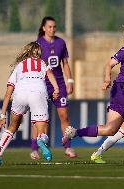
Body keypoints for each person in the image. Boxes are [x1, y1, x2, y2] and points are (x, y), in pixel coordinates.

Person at [63, 21, 124, 164]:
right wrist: (107, 79)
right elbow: (109, 64)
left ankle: (75, 132)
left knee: (110, 130)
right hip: (122, 89)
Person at [0, 42, 59, 167]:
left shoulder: (19, 66)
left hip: (20, 93)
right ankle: (40, 140)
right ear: (38, 52)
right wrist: (56, 89)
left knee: (12, 126)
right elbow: (50, 74)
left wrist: (2, 116)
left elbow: (8, 94)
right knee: (42, 130)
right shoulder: (42, 63)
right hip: (38, 91)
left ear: (26, 52)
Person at [37, 16, 77, 158]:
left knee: (64, 116)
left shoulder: (61, 42)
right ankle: (36, 148)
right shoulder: (38, 44)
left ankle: (68, 147)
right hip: (43, 84)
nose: (52, 29)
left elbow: (65, 63)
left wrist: (70, 81)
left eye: (54, 27)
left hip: (59, 84)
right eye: (49, 27)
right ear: (43, 28)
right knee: (41, 118)